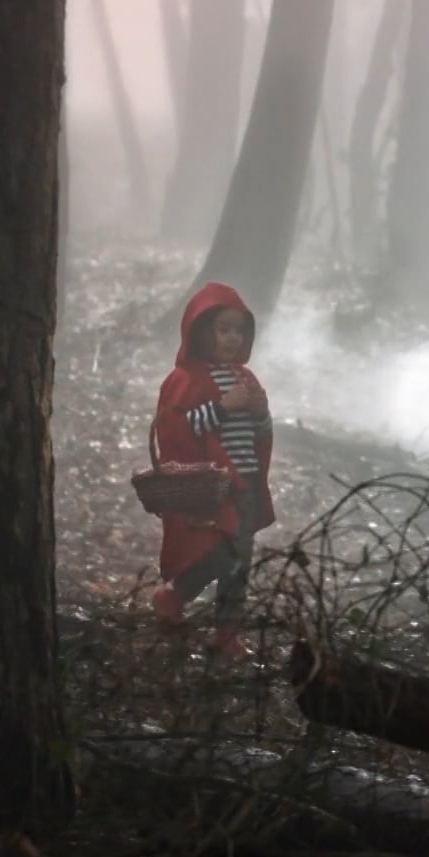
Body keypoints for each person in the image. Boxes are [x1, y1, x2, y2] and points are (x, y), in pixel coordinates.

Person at [149, 282, 276, 660]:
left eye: (239, 330)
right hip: (216, 485)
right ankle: (175, 593)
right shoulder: (188, 379)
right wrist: (222, 407)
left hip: (247, 480)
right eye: (224, 329)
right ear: (203, 331)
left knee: (241, 563)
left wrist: (260, 413)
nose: (232, 338)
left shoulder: (245, 379)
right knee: (225, 552)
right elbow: (179, 427)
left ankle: (227, 633)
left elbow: (262, 432)